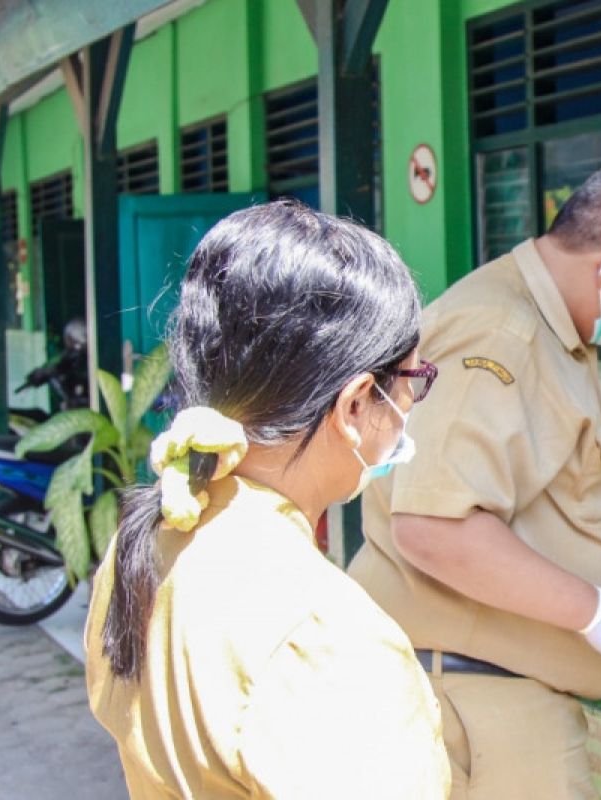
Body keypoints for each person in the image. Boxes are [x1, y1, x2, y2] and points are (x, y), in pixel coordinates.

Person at [349, 165, 601, 798]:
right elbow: (433, 526)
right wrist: (600, 611)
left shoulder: (550, 330)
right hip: (478, 699)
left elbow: (529, 503)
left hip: (500, 691)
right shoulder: (503, 334)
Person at [84, 200, 451, 799]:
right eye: (412, 382)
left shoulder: (150, 537)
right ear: (356, 405)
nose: (411, 408)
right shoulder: (323, 636)